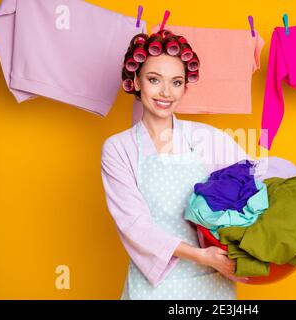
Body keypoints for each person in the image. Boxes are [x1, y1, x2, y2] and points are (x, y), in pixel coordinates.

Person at [101, 30, 250, 300]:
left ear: (185, 87)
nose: (166, 92)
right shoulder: (118, 148)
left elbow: (252, 185)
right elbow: (135, 226)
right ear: (135, 81)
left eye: (176, 82)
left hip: (212, 284)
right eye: (154, 80)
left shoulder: (207, 138)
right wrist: (201, 256)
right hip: (154, 284)